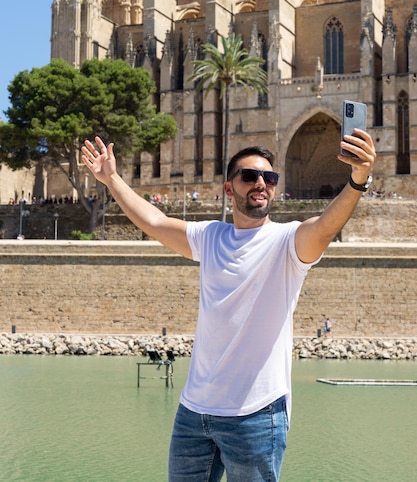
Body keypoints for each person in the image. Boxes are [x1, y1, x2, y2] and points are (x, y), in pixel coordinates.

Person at [81, 127, 375, 482]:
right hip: (193, 413)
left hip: (256, 414)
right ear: (228, 187)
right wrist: (111, 179)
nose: (260, 184)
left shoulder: (288, 243)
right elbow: (154, 221)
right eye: (249, 176)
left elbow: (326, 226)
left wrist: (358, 180)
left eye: (269, 177)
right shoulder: (210, 237)